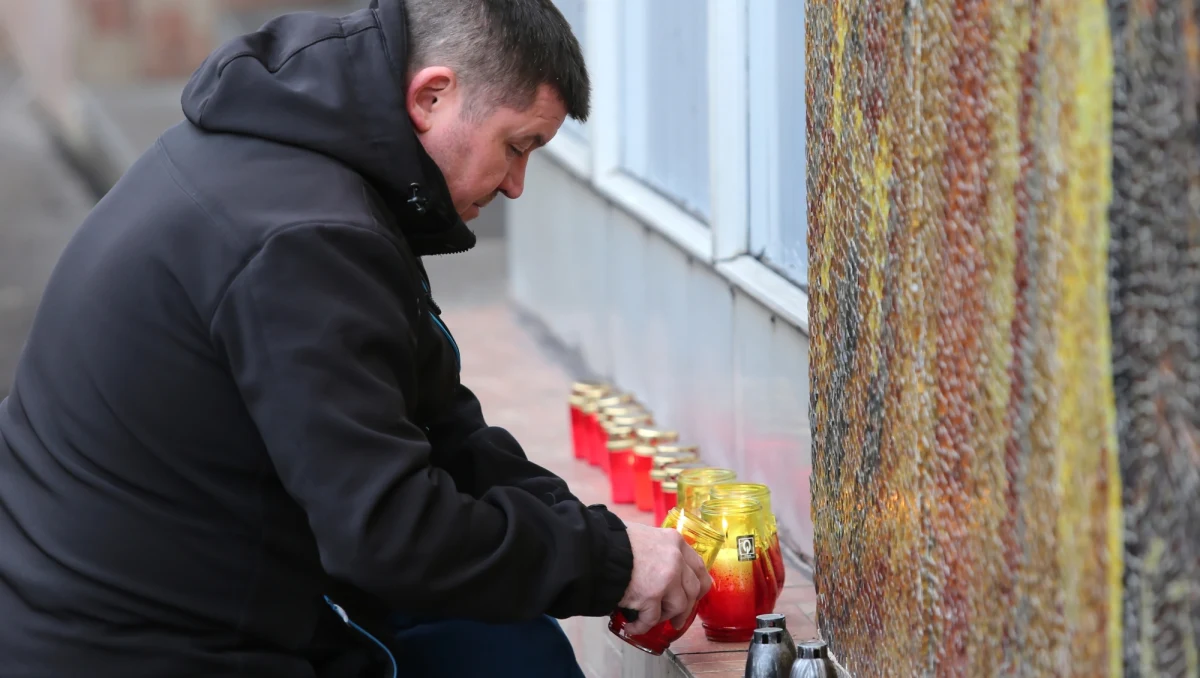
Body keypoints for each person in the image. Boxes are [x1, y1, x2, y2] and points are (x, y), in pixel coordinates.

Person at [0, 1, 712, 676]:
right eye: (516, 146)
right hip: (132, 648)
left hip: (136, 599)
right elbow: (392, 535)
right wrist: (608, 564)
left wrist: (594, 536)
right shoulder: (309, 240)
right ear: (432, 95)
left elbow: (434, 425)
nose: (517, 185)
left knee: (499, 641)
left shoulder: (295, 158)